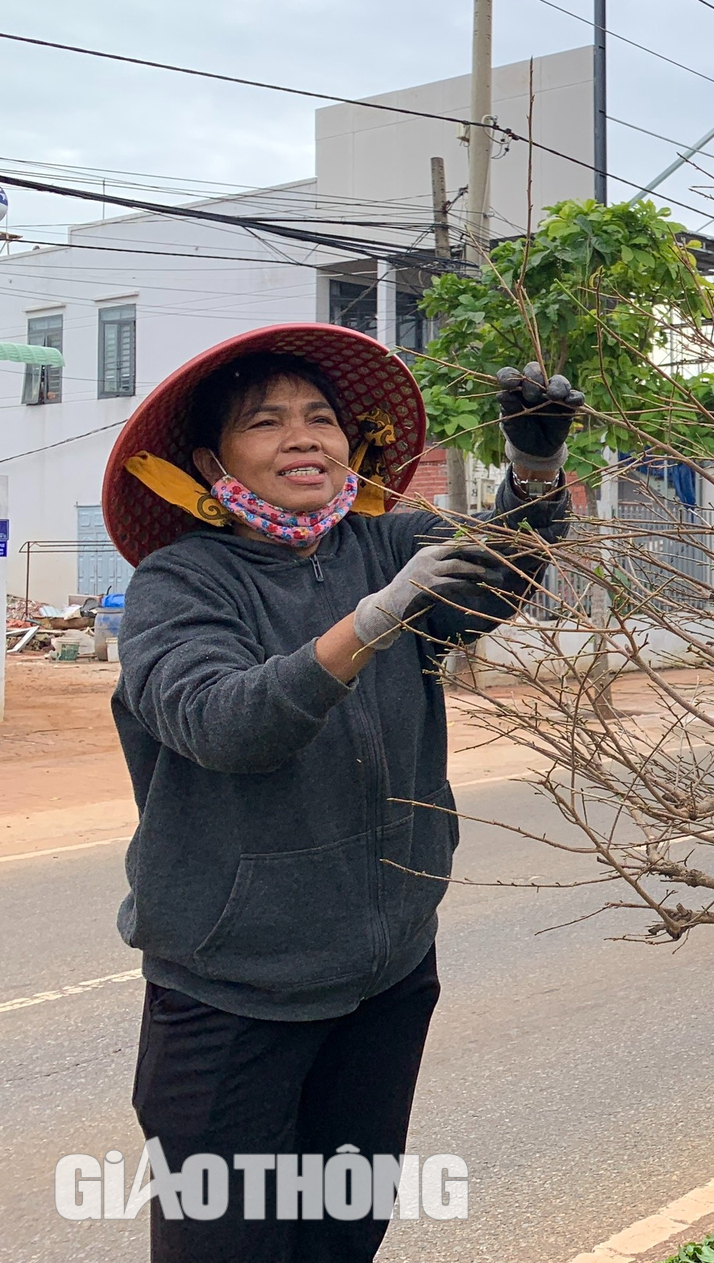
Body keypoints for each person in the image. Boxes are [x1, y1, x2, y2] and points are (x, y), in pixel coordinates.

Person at [105, 324, 577, 1262]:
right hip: (233, 997)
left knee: (341, 1238)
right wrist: (370, 621)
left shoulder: (391, 542)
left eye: (320, 418)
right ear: (210, 459)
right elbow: (225, 723)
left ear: (351, 447)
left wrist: (535, 468)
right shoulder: (180, 583)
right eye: (266, 421)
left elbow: (498, 579)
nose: (303, 437)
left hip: (386, 980)